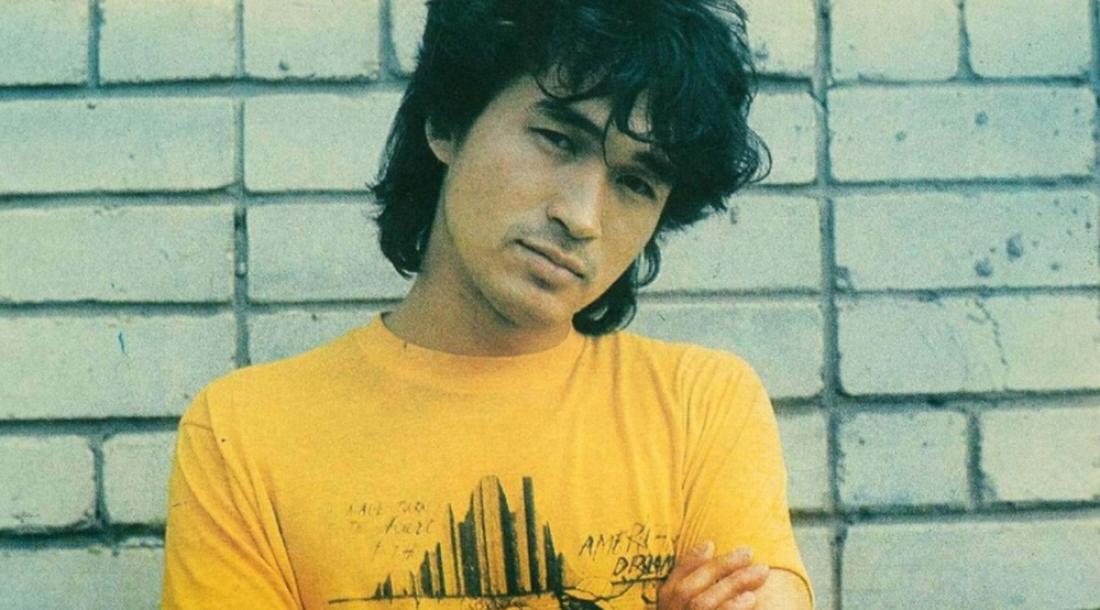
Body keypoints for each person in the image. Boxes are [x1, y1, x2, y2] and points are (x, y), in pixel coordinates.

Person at [161, 1, 813, 608]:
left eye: (636, 182)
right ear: (448, 122)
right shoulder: (245, 434)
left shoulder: (700, 405)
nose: (583, 217)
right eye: (558, 139)